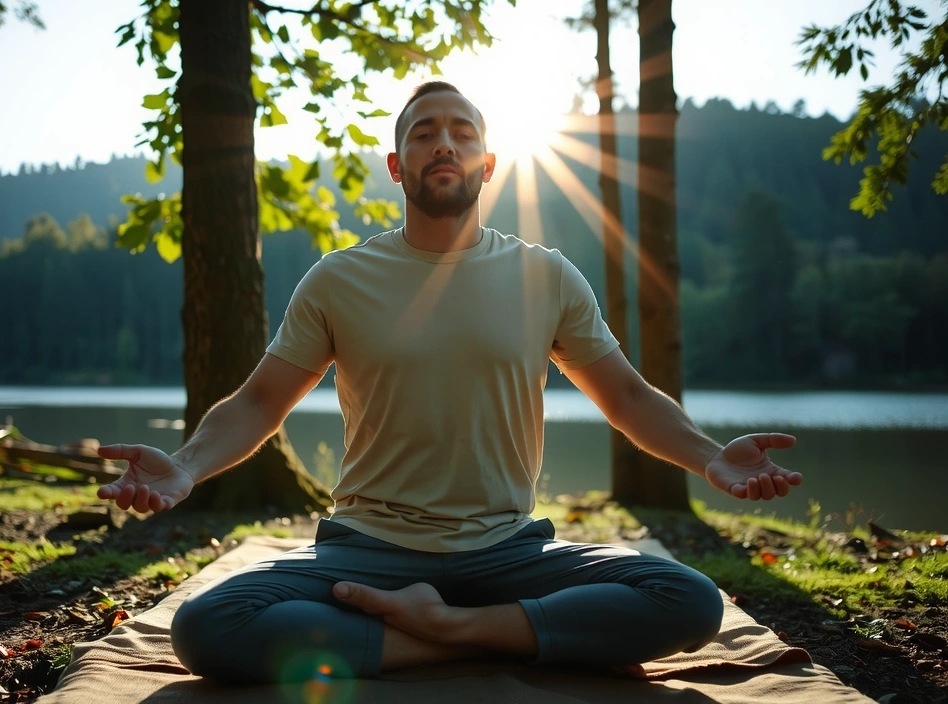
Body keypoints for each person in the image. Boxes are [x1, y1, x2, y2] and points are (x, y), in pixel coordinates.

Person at [95, 81, 803, 685]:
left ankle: (443, 631)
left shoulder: (547, 275)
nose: (445, 143)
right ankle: (476, 635)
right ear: (397, 166)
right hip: (365, 549)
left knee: (687, 599)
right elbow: (258, 402)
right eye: (424, 132)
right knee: (208, 626)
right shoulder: (338, 279)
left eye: (462, 132)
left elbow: (625, 396)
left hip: (509, 550)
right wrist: (186, 467)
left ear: (487, 163)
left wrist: (710, 455)